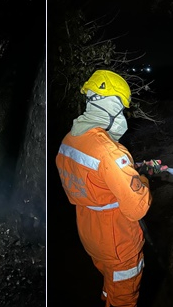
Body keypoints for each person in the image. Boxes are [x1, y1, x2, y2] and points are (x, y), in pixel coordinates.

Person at [55, 69, 158, 307]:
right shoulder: (110, 152)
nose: (122, 114)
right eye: (120, 107)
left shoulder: (69, 141)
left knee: (109, 284)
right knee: (124, 296)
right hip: (118, 241)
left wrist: (130, 170)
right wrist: (143, 180)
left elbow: (94, 181)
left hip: (90, 234)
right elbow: (137, 208)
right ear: (111, 106)